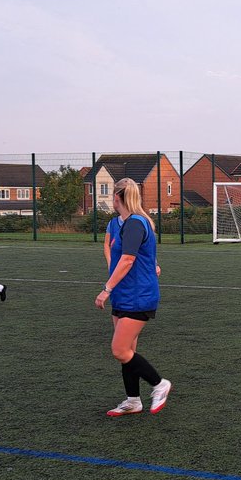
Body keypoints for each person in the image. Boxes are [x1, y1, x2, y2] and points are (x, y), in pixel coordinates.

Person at [97, 178, 171, 418]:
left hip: (138, 296)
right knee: (127, 350)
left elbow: (128, 260)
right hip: (124, 295)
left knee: (119, 350)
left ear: (116, 197)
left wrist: (106, 289)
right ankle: (133, 401)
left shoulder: (136, 223)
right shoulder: (124, 223)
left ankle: (160, 384)